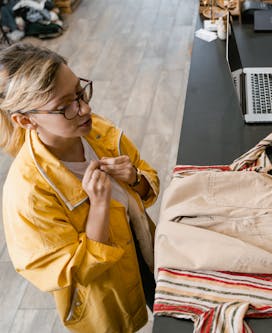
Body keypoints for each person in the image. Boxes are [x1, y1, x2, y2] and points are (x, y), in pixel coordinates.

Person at [0, 43, 160, 332]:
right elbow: (71, 272)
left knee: (165, 309)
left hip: (145, 248)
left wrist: (136, 178)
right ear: (25, 120)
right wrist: (98, 207)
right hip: (105, 293)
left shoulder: (95, 129)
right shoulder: (27, 195)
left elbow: (148, 180)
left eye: (80, 92)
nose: (85, 108)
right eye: (65, 107)